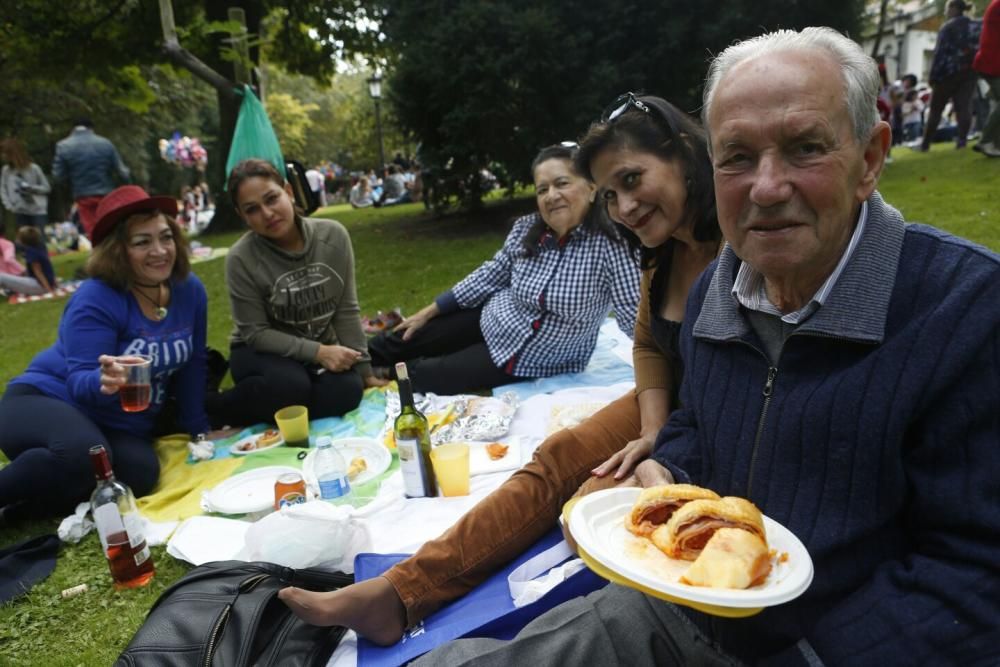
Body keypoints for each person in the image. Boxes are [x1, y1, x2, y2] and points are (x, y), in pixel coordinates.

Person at [391, 26, 1000, 666]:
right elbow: (698, 421)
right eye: (737, 156)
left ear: (870, 159)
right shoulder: (718, 284)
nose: (766, 186)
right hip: (679, 602)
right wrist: (669, 476)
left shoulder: (965, 311)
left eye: (804, 148)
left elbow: (976, 570)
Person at [280, 101, 723, 642]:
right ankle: (399, 592)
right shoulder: (657, 248)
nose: (625, 206)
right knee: (557, 454)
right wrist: (652, 428)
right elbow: (651, 341)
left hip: (716, 417)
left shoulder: (739, 241)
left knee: (588, 502)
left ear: (682, 155)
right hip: (657, 398)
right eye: (611, 193)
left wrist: (666, 452)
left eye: (631, 180)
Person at [0, 186, 220, 521]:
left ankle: (19, 511)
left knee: (140, 476)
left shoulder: (189, 290)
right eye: (142, 242)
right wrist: (105, 380)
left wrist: (198, 429)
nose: (160, 251)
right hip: (44, 400)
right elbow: (79, 380)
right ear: (118, 251)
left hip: (114, 424)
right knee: (87, 454)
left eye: (165, 237)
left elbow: (193, 363)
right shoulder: (96, 298)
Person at [366, 143, 642, 395]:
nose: (551, 196)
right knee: (408, 336)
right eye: (542, 189)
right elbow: (491, 274)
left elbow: (636, 317)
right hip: (494, 317)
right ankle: (353, 360)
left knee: (424, 374)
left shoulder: (614, 246)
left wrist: (661, 375)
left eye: (562, 183)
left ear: (591, 188)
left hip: (536, 357)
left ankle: (372, 377)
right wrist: (429, 311)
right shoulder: (526, 229)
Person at [204, 159, 386, 429]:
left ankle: (269, 406)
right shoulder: (240, 258)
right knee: (291, 385)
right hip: (259, 351)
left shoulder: (333, 236)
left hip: (314, 348)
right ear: (242, 216)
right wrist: (320, 352)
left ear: (288, 192)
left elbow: (345, 310)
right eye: (252, 209)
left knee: (348, 390)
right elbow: (256, 333)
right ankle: (214, 406)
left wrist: (365, 372)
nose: (267, 213)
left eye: (272, 198)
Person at [51, 118, 131, 237]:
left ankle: (99, 252)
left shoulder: (63, 146)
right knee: (111, 226)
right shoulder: (105, 143)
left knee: (92, 230)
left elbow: (58, 176)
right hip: (106, 193)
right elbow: (123, 172)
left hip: (82, 195)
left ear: (73, 128)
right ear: (91, 128)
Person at [920, 0, 981, 150]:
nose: (946, 12)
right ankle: (962, 142)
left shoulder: (947, 27)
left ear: (954, 8)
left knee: (936, 109)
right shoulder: (975, 25)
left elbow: (939, 53)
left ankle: (925, 144)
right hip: (969, 71)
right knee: (964, 107)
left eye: (947, 9)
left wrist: (933, 76)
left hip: (947, 72)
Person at [0, 138, 51, 241]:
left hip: (37, 210)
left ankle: (43, 257)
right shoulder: (6, 171)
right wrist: (9, 205)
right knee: (25, 241)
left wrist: (31, 188)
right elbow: (3, 189)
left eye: (4, 153)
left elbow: (46, 188)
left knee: (39, 239)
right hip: (20, 210)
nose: (2, 156)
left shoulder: (34, 168)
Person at [973, 0, 1000, 156]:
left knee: (998, 104)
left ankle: (995, 145)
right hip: (992, 63)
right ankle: (986, 141)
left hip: (989, 61)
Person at [0, 226, 55, 296]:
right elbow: (49, 267)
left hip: (40, 286)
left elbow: (39, 273)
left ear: (23, 240)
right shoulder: (40, 246)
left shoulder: (31, 252)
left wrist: (49, 290)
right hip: (44, 283)